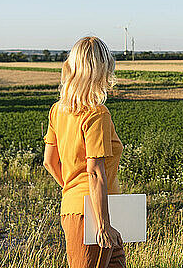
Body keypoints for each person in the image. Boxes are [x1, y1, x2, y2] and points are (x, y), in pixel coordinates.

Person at [43, 36, 126, 268]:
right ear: (102, 70)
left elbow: (49, 162)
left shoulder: (57, 111)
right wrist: (102, 224)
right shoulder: (97, 114)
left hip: (90, 210)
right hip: (95, 217)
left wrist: (72, 190)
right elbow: (95, 172)